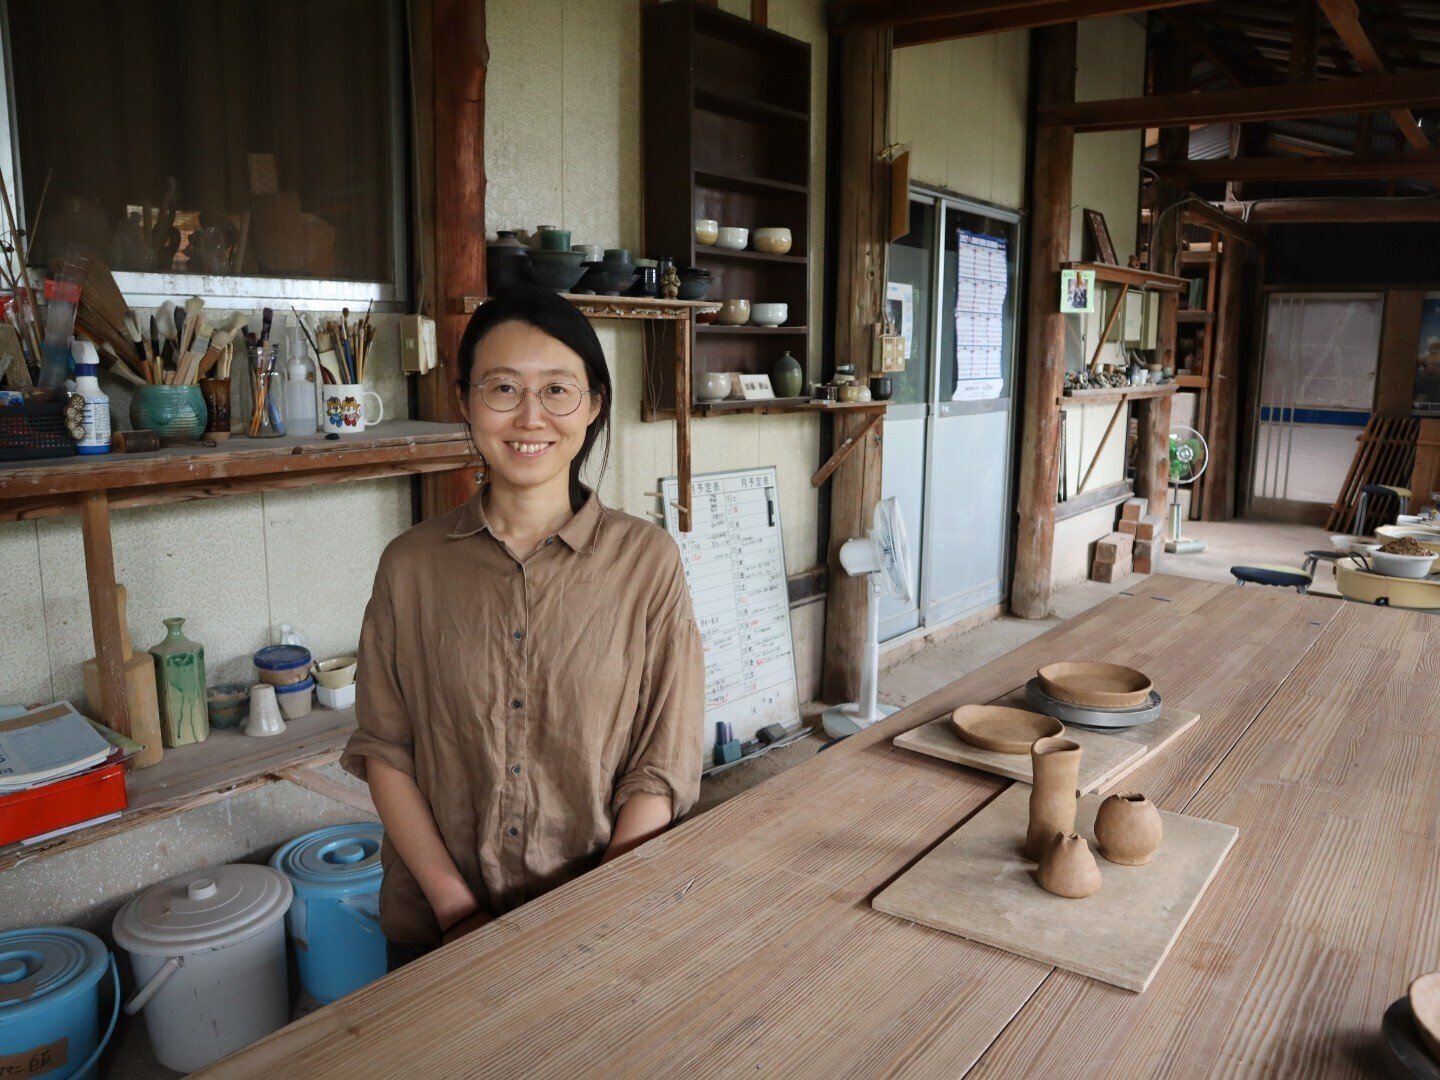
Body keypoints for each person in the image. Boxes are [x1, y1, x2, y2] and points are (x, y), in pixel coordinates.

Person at [341, 286, 705, 971]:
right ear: (466, 402)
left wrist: (590, 915)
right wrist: (458, 913)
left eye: (558, 390)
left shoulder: (646, 562)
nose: (530, 416)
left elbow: (663, 765)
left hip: (599, 928)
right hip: (435, 928)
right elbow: (385, 750)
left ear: (594, 403)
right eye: (502, 388)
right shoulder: (410, 566)